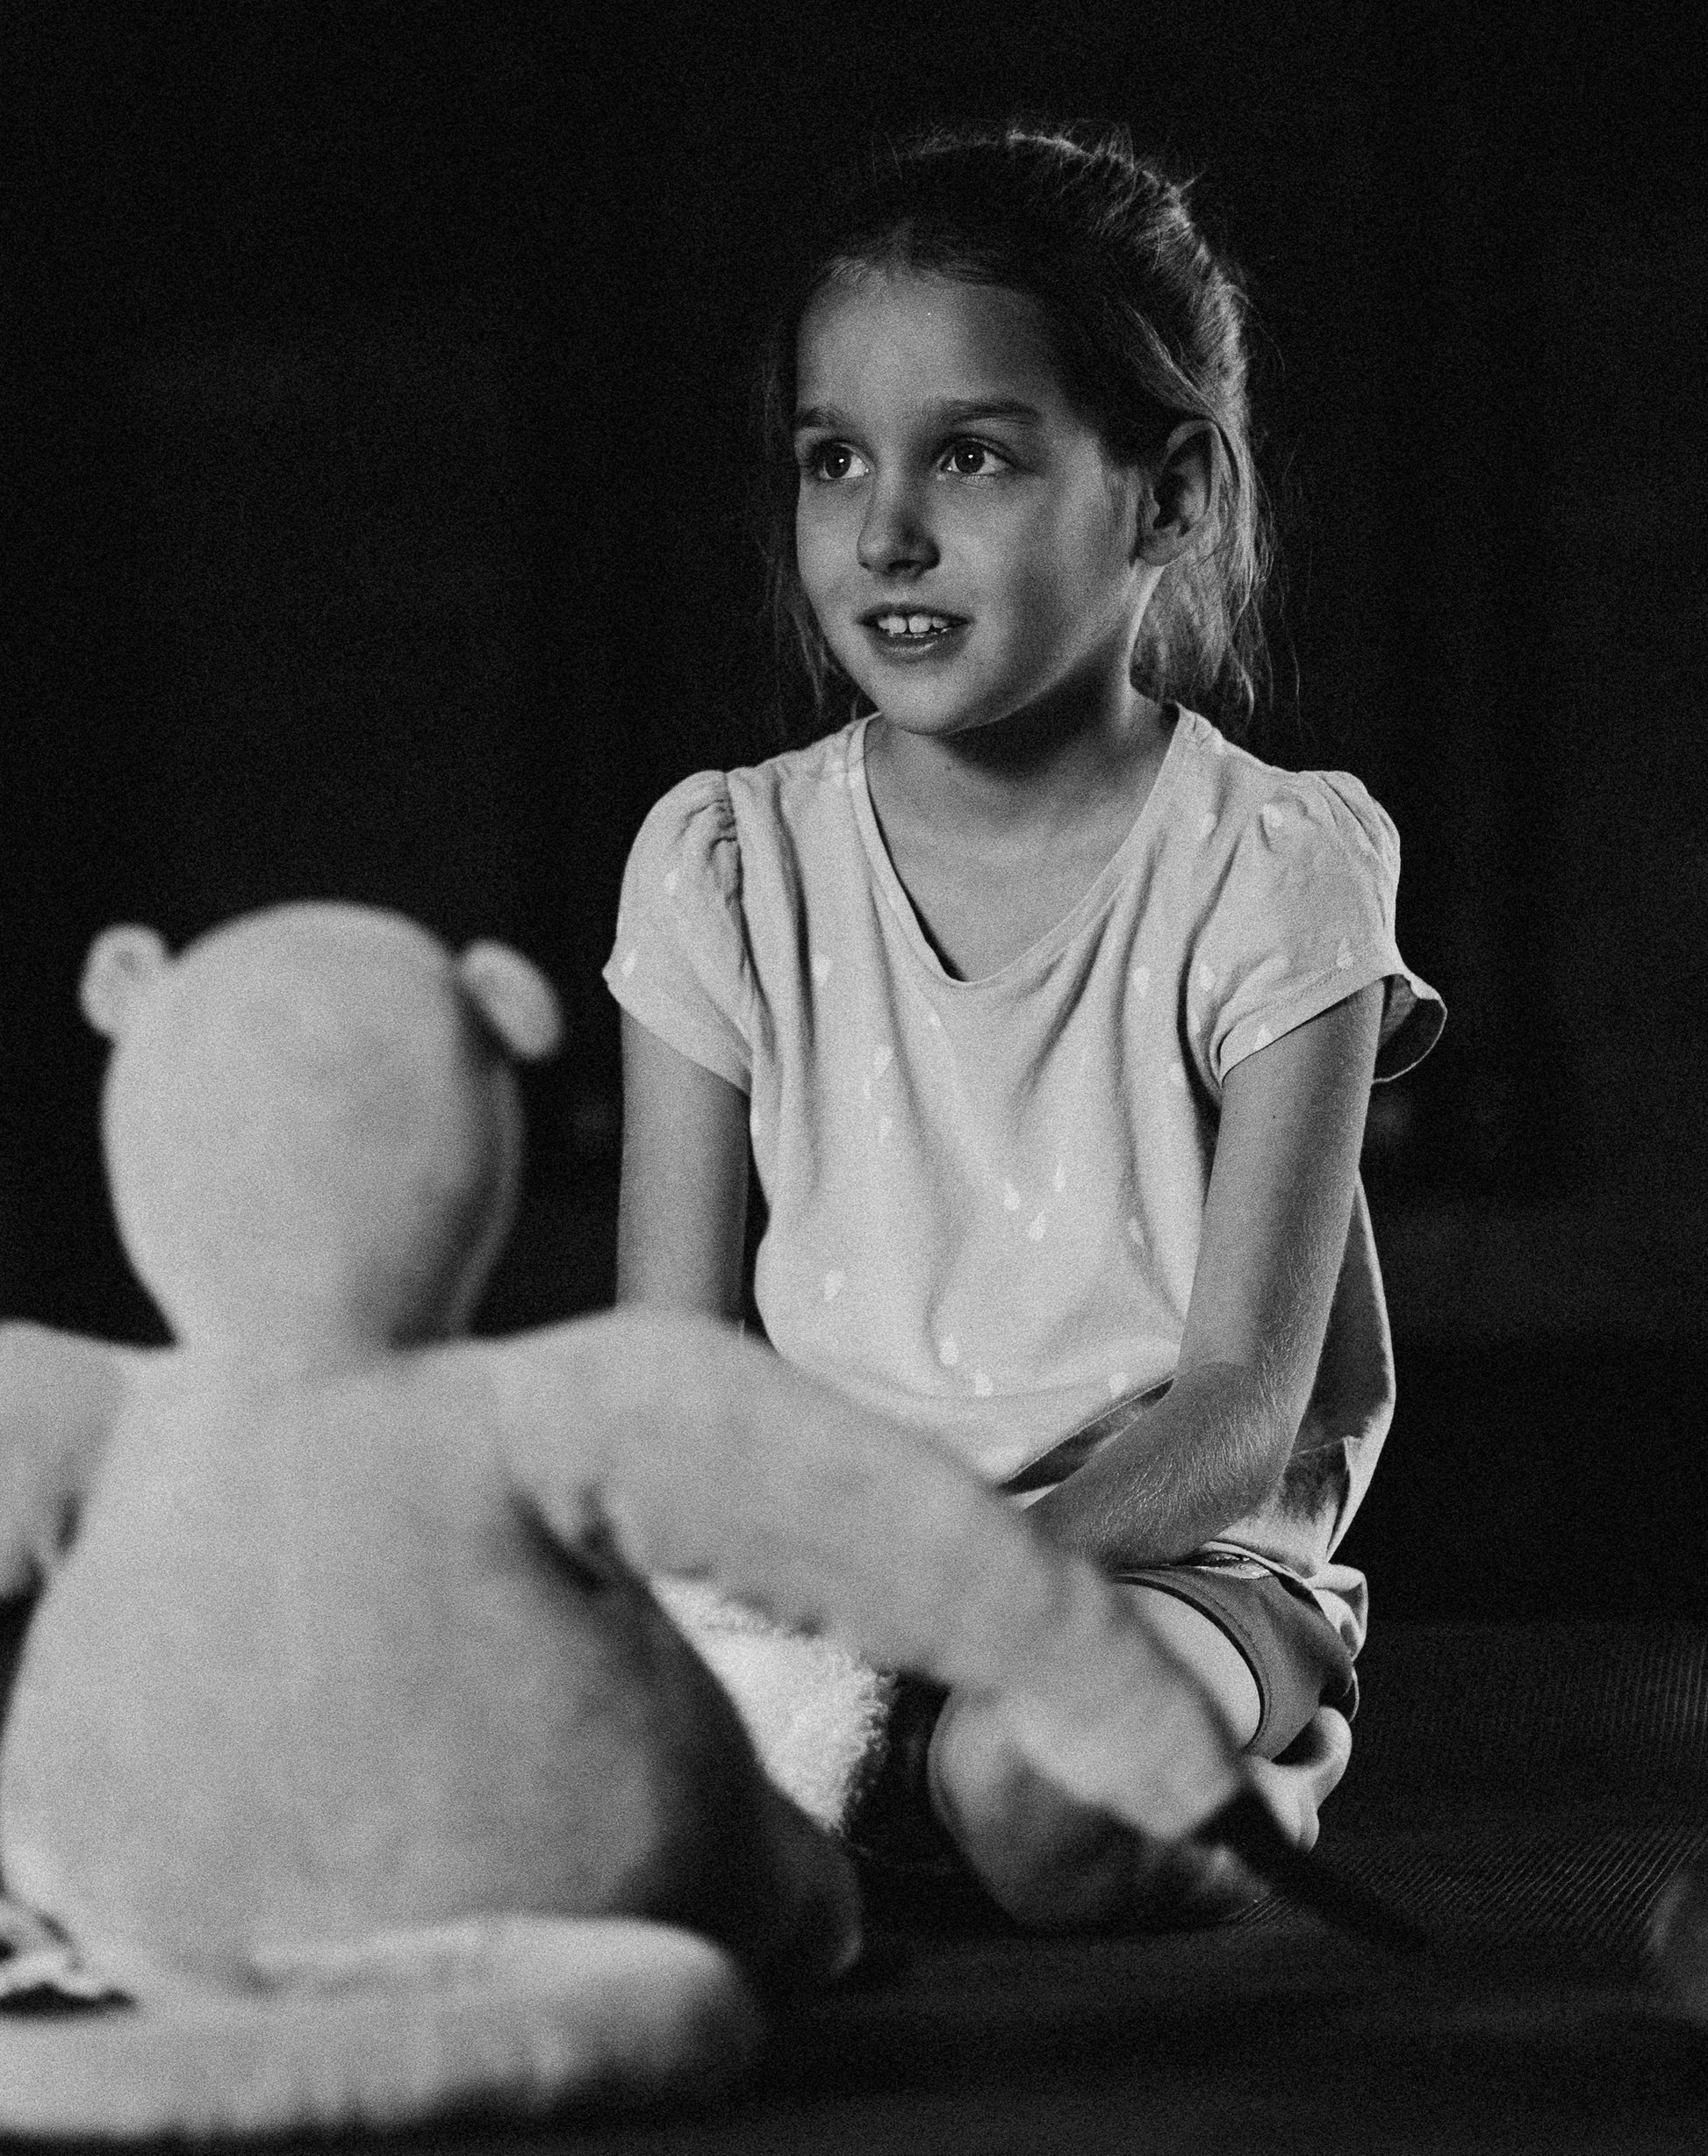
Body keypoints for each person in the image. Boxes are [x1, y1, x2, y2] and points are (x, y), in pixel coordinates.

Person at [607, 121, 1443, 1926]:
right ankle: (837, 1814)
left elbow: (1239, 1403)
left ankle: (1205, 1781)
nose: (884, 530)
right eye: (833, 461)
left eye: (970, 455)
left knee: (1025, 1776)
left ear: (1167, 500)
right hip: (817, 1581)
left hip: (1149, 1563)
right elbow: (665, 1376)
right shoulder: (720, 861)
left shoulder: (1272, 867)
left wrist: (965, 1594)